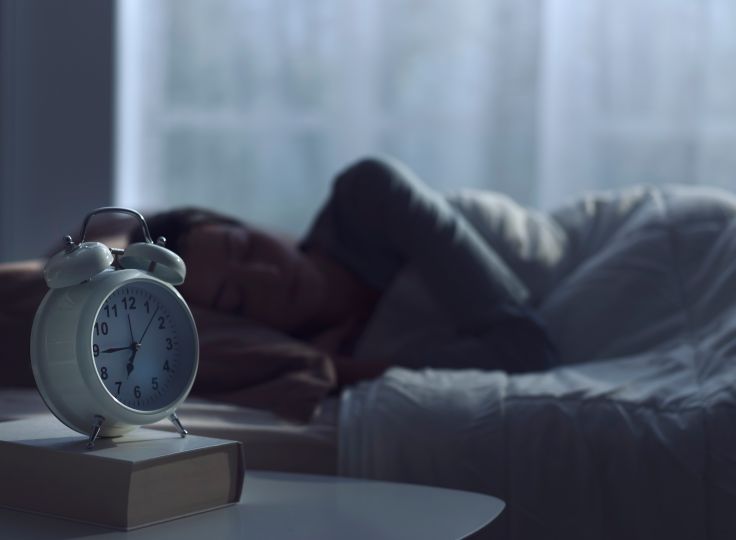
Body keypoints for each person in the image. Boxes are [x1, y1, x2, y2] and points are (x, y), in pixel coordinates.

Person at [133, 157, 557, 391]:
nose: (266, 274)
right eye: (238, 298)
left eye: (242, 246)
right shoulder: (301, 359)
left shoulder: (367, 196)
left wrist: (355, 370)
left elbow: (528, 348)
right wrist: (336, 368)